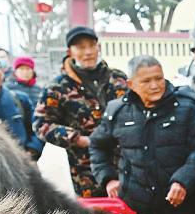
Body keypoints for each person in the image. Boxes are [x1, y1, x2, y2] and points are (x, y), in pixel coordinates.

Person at [90, 56, 195, 214]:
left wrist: (183, 181)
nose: (155, 85)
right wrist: (108, 178)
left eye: (159, 78)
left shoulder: (187, 107)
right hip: (138, 212)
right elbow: (97, 146)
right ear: (131, 84)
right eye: (146, 81)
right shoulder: (118, 111)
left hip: (182, 210)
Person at [33, 26, 127, 197]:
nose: (88, 52)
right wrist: (77, 139)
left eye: (91, 46)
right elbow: (41, 124)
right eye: (81, 47)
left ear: (98, 47)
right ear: (70, 51)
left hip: (126, 162)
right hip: (87, 169)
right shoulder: (58, 87)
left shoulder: (118, 78)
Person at [0, 53, 43, 159]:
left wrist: (32, 151)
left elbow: (38, 129)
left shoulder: (20, 100)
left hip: (21, 166)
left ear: (2, 74)